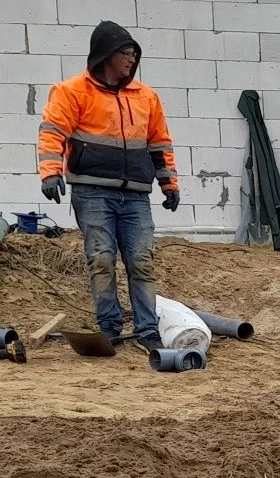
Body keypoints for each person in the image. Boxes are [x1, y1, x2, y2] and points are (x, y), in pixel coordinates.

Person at [36, 21, 179, 350]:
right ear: (106, 55)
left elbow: (160, 144)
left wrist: (169, 183)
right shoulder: (71, 91)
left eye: (134, 54)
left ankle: (147, 331)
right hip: (92, 192)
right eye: (125, 53)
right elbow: (52, 132)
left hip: (136, 196)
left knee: (141, 261)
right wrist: (50, 172)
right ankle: (110, 326)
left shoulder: (147, 97)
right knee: (101, 259)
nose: (131, 59)